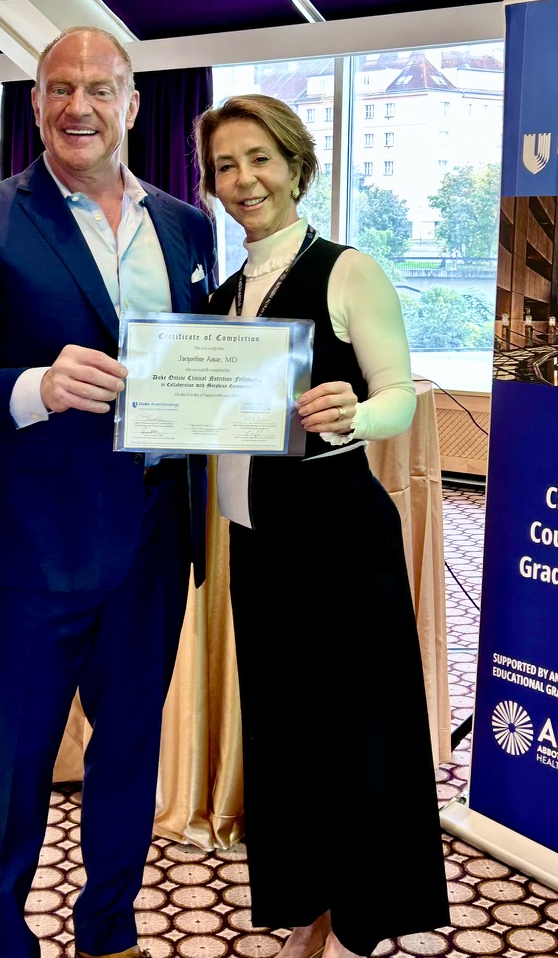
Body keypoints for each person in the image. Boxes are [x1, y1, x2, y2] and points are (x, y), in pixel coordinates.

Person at [0, 26, 216, 958]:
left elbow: (208, 363)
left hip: (158, 529)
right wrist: (36, 388)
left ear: (133, 104)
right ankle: (0, 942)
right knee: (17, 761)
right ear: (37, 103)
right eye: (58, 88)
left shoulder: (188, 225)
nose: (77, 106)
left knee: (129, 749)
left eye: (98, 88)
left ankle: (109, 930)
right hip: (39, 540)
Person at [193, 94, 450, 958]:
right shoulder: (221, 299)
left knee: (355, 733)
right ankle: (309, 902)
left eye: (259, 158)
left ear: (297, 165)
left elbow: (399, 396)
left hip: (338, 538)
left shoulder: (349, 271)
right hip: (256, 544)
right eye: (225, 166)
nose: (244, 179)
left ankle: (362, 919)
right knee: (285, 735)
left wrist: (355, 415)